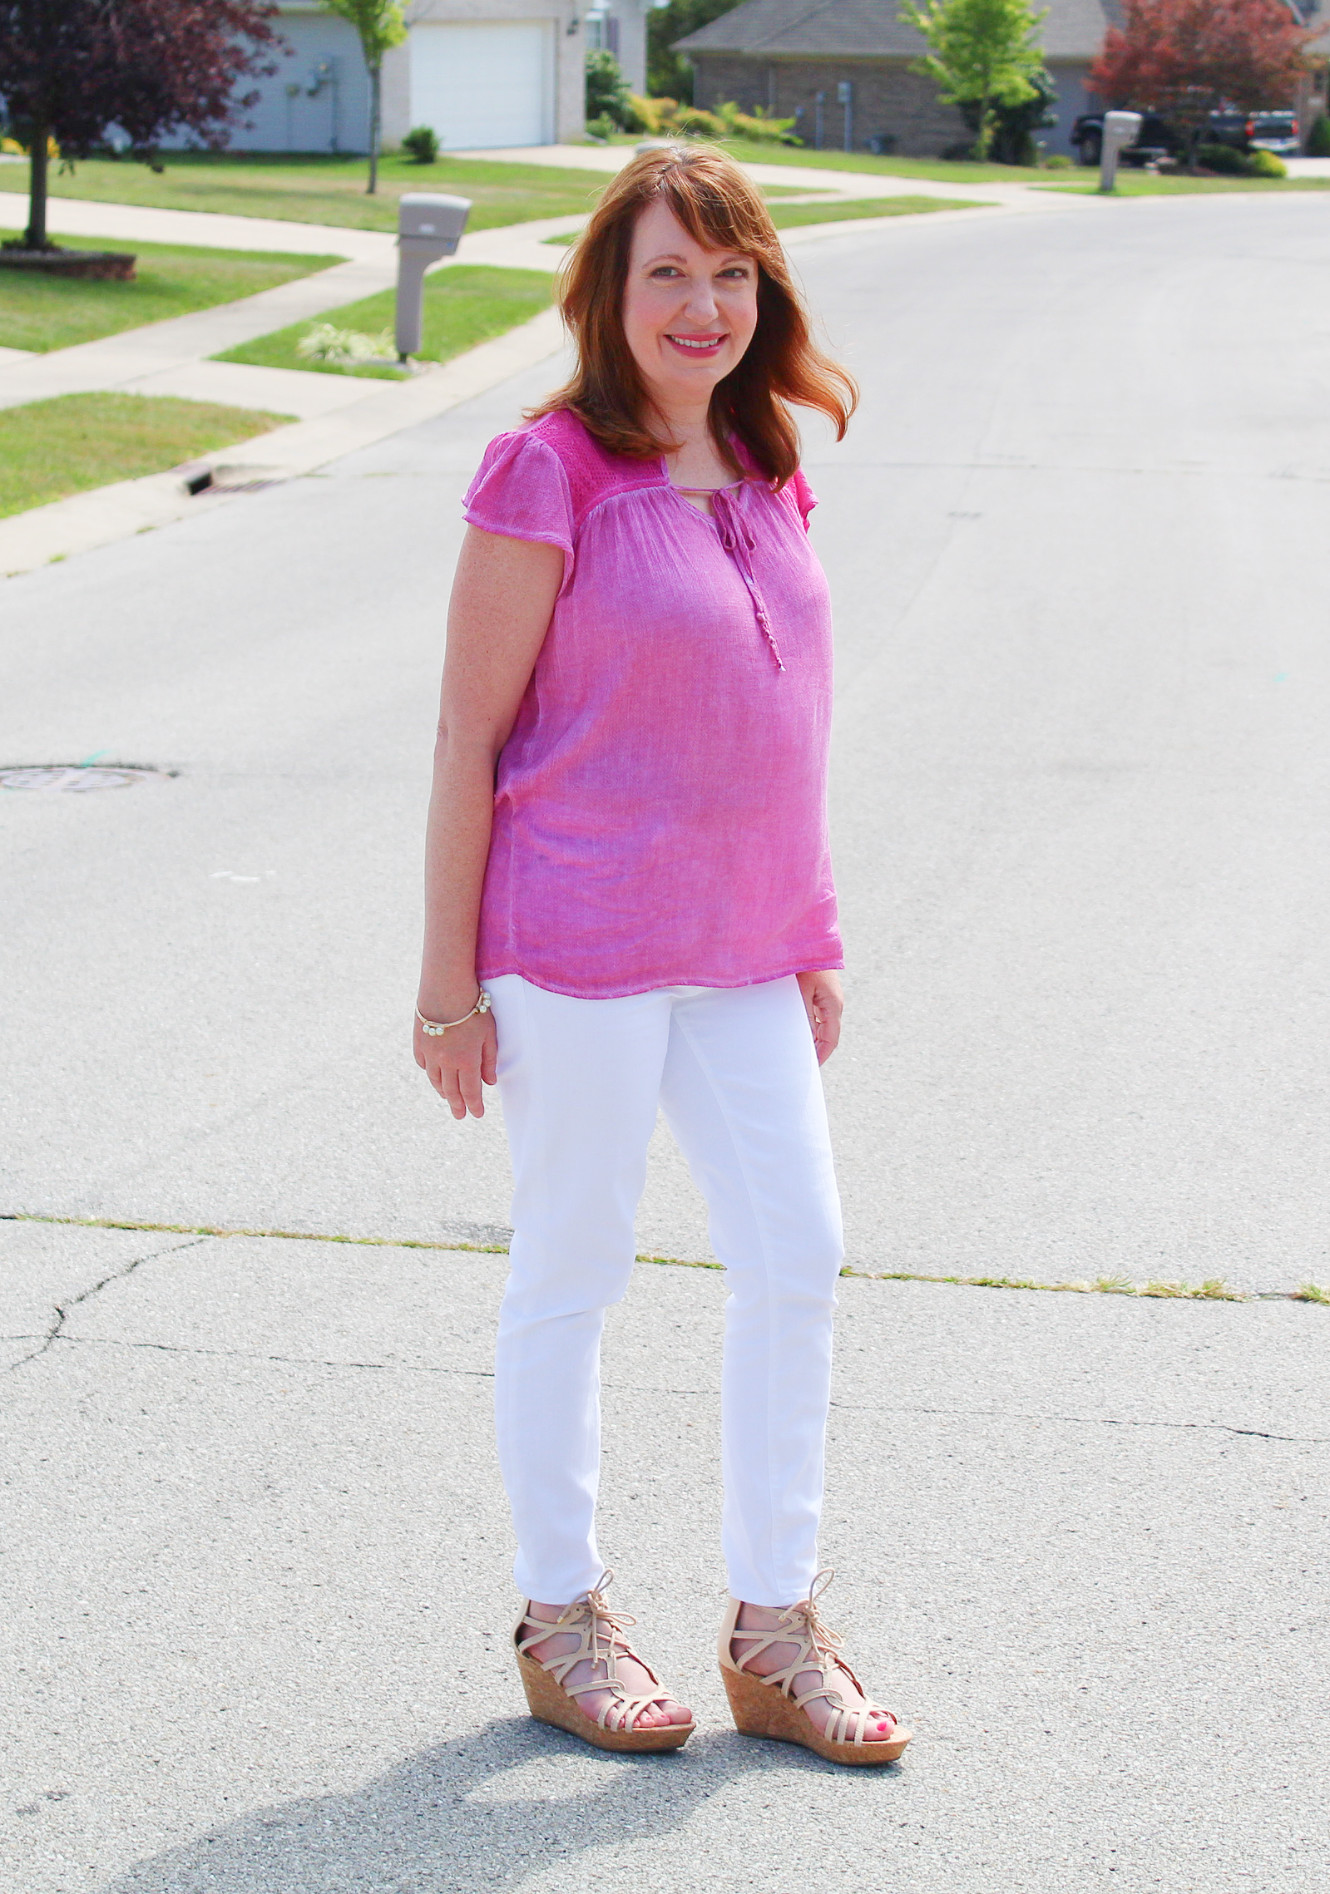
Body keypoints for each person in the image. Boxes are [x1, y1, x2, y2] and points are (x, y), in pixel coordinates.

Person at [415, 144, 910, 1766]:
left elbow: (788, 730)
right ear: (606, 298)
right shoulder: (544, 471)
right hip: (574, 946)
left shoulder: (768, 465)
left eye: (728, 273)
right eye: (665, 276)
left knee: (797, 1257)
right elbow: (466, 738)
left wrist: (811, 928)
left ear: (762, 290)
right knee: (574, 1269)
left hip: (745, 953)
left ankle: (774, 1630)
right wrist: (446, 982)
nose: (701, 306)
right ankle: (559, 1614)